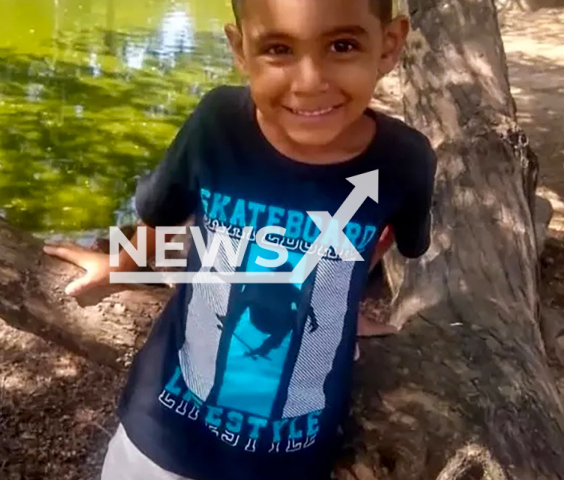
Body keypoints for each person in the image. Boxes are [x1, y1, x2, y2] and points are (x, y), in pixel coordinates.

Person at [44, 0, 437, 478]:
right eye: (278, 48)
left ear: (389, 44)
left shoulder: (405, 161)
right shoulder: (217, 126)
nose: (309, 80)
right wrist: (120, 263)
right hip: (162, 435)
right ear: (240, 49)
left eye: (342, 45)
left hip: (292, 453)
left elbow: (381, 238)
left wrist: (341, 306)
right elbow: (164, 218)